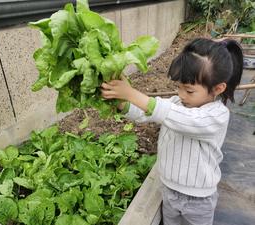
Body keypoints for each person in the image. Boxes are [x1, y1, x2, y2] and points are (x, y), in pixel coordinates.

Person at [101, 38, 243, 225]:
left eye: (189, 91)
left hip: (198, 200)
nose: (181, 94)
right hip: (168, 189)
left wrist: (133, 94)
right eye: (179, 87)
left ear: (218, 88)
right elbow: (147, 112)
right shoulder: (177, 103)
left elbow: (182, 119)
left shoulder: (217, 116)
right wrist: (122, 101)